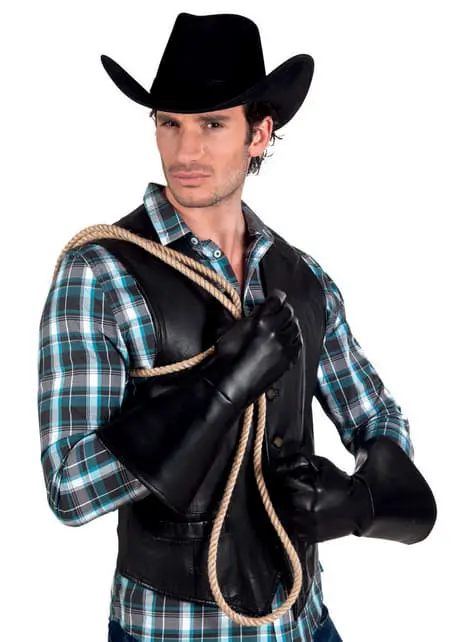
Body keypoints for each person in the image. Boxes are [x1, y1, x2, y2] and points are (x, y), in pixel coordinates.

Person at [37, 12, 437, 642]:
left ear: (259, 133)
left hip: (302, 622)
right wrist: (219, 389)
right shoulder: (100, 273)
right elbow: (71, 487)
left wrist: (357, 501)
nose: (185, 152)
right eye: (170, 123)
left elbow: (377, 417)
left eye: (213, 124)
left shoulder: (302, 278)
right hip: (172, 631)